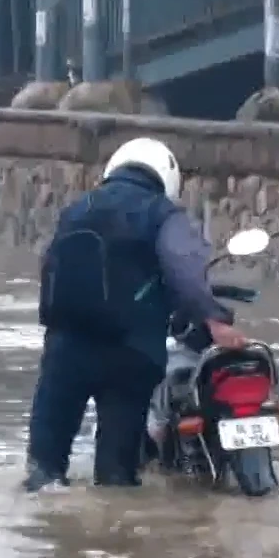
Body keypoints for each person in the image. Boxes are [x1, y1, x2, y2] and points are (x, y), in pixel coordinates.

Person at [23, 137, 249, 492]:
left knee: (43, 472)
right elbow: (185, 273)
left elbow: (49, 267)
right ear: (166, 178)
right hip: (130, 356)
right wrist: (216, 321)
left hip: (65, 350)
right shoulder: (162, 214)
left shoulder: (77, 209)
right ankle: (116, 540)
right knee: (116, 479)